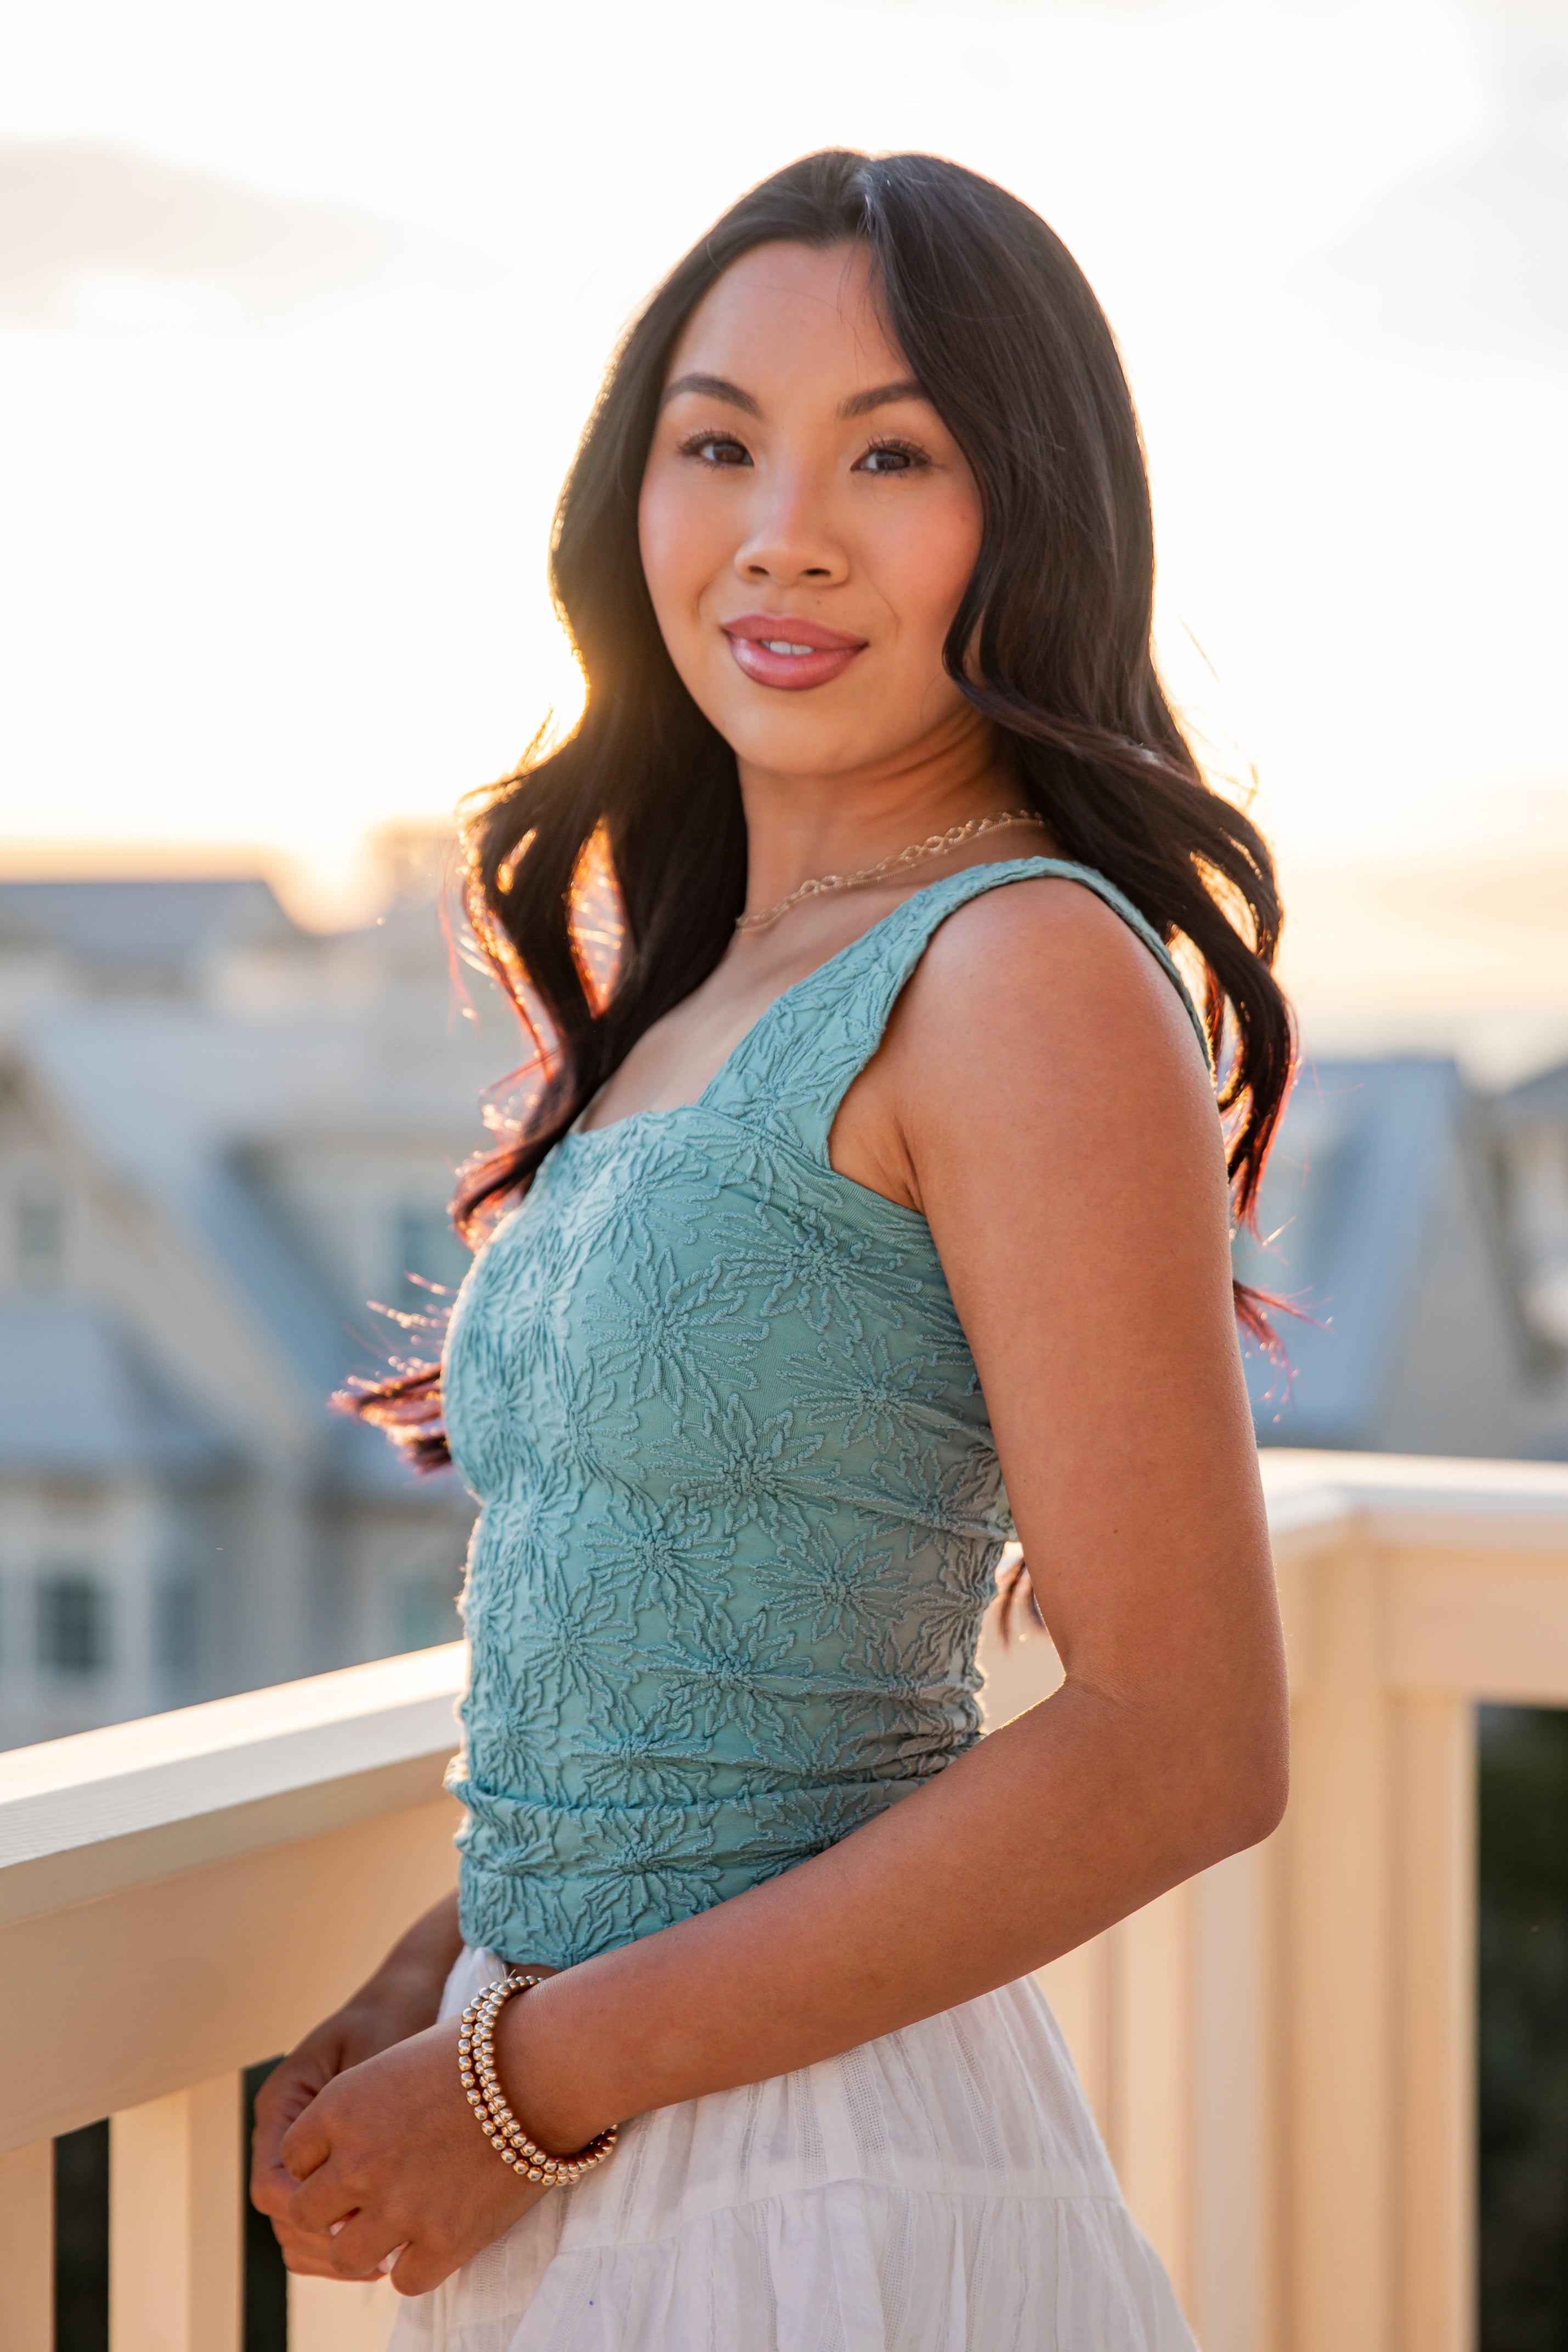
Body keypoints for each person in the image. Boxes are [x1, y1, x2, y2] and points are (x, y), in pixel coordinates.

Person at [250, 148, 1292, 2350]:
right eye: (714, 441)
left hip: (805, 2187)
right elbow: (690, 1664)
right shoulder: (715, 973)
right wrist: (452, 1964)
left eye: (889, 453)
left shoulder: (1016, 968)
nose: (778, 528)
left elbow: (1181, 1736)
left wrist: (526, 2078)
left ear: (1031, 508)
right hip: (616, 2133)